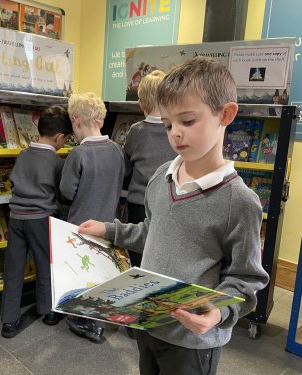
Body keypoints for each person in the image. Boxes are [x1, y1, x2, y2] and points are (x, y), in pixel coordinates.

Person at [78, 57, 270, 374]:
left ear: (225, 114)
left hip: (192, 342)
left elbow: (246, 279)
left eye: (188, 121)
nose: (175, 134)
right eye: (168, 124)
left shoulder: (240, 202)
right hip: (149, 323)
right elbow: (151, 231)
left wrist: (217, 314)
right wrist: (109, 230)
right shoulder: (159, 179)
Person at [1, 106, 72, 339]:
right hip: (42, 219)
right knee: (45, 265)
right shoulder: (56, 162)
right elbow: (62, 195)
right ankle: (48, 311)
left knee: (13, 268)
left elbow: (13, 183)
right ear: (60, 137)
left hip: (16, 218)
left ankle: (9, 321)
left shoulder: (22, 155)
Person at [60, 92, 125, 342]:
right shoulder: (118, 150)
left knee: (81, 273)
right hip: (109, 223)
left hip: (81, 223)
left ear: (76, 120)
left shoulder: (78, 154)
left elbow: (67, 192)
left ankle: (82, 320)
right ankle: (99, 323)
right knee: (100, 273)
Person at [124, 69, 176, 267]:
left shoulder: (136, 131)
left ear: (141, 103)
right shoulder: (174, 129)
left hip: (138, 203)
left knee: (137, 254)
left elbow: (126, 165)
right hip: (168, 201)